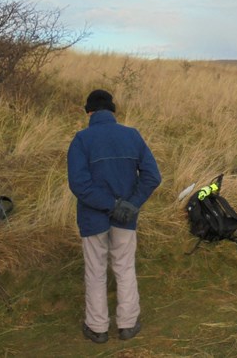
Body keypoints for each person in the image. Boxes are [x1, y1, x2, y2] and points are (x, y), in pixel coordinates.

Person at [67, 90, 162, 343]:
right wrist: (129, 205)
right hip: (125, 219)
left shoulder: (81, 139)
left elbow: (79, 184)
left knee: (95, 271)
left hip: (92, 218)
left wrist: (111, 204)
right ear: (113, 111)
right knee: (125, 267)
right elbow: (153, 176)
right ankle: (128, 324)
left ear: (89, 112)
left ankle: (97, 328)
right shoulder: (132, 135)